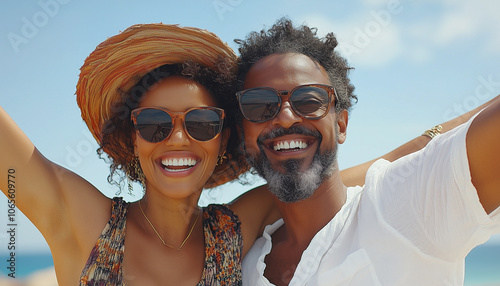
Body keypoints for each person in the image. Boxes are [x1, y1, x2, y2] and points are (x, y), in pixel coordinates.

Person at [0, 23, 286, 285]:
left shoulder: (231, 232)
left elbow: (322, 182)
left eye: (201, 122)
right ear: (134, 139)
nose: (176, 138)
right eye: (154, 123)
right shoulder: (86, 223)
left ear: (223, 140)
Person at [234, 18, 500, 285]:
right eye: (259, 105)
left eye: (309, 100)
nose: (286, 117)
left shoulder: (405, 206)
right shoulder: (239, 264)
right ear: (243, 134)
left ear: (341, 124)